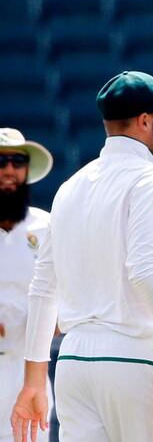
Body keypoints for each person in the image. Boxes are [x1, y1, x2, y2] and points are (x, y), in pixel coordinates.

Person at [11, 71, 153, 442]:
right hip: (137, 354)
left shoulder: (69, 187)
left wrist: (34, 378)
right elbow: (145, 270)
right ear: (145, 122)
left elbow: (43, 286)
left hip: (74, 363)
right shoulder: (151, 177)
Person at [0, 129, 53, 442]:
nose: (9, 170)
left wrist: (54, 322)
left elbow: (70, 297)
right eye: (1, 161)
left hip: (28, 373)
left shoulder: (47, 227)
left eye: (17, 161)